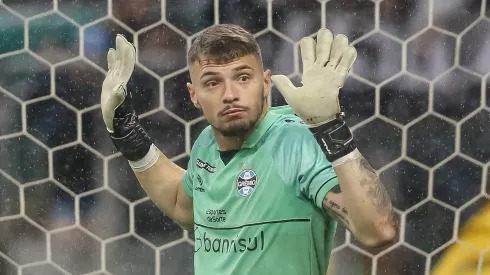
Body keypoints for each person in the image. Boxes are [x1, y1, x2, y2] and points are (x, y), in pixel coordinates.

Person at [100, 24, 397, 275]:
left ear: (266, 83)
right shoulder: (207, 143)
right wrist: (126, 132)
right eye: (213, 82)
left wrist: (330, 128)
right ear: (194, 95)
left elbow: (377, 230)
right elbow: (183, 206)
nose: (230, 95)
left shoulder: (296, 141)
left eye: (243, 78)